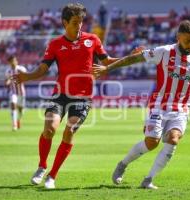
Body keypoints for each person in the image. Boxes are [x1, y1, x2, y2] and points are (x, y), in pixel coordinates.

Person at [93, 20, 190, 189]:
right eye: (187, 41)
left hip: (181, 109)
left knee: (173, 139)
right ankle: (123, 164)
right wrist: (108, 68)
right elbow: (135, 58)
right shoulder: (164, 52)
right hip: (159, 105)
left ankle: (148, 180)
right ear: (178, 37)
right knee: (152, 142)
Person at [11, 3, 119, 189]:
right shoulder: (55, 44)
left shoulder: (92, 40)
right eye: (75, 22)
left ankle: (52, 175)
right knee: (49, 129)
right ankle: (42, 166)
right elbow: (43, 69)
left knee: (69, 131)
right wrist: (26, 76)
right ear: (65, 22)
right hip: (60, 95)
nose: (79, 26)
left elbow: (107, 61)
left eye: (81, 22)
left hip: (82, 98)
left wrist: (130, 58)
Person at [5, 56, 27, 131]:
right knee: (13, 105)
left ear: (16, 61)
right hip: (13, 92)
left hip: (21, 92)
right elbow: (7, 80)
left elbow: (26, 77)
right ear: (9, 62)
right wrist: (7, 82)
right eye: (11, 61)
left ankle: (18, 119)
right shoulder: (8, 71)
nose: (13, 62)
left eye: (14, 60)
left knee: (20, 110)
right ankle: (14, 125)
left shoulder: (21, 69)